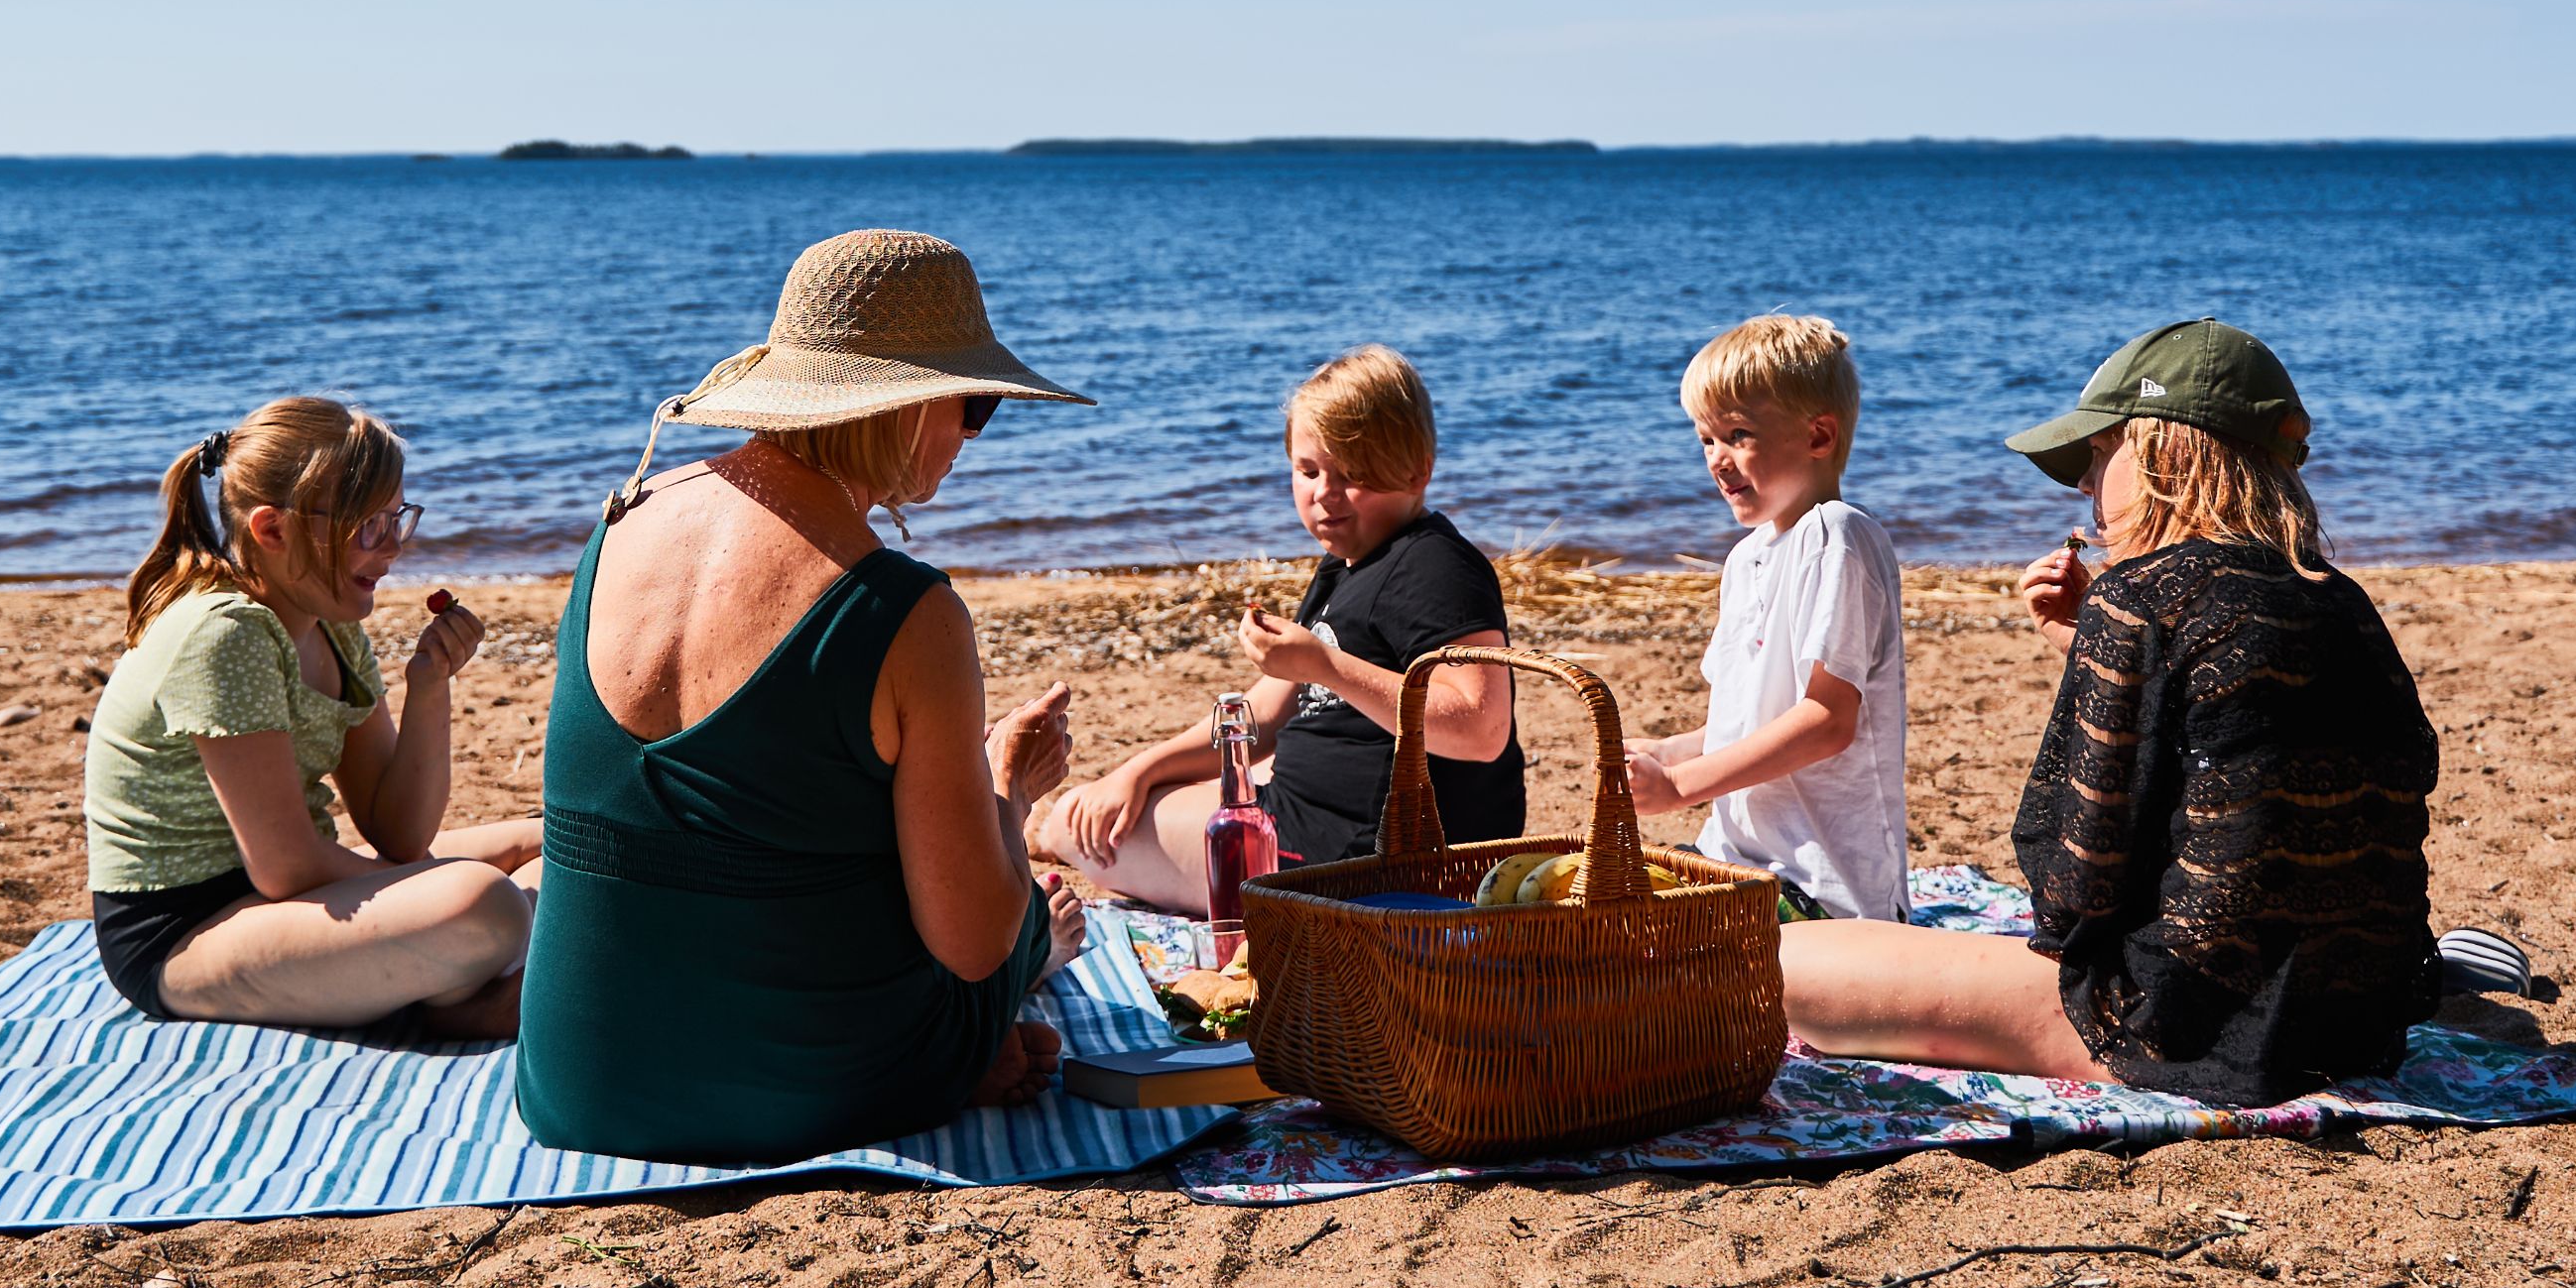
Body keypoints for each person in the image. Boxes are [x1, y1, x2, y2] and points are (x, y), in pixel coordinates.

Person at [512, 230, 1092, 1164]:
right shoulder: (904, 608)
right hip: (798, 1096)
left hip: (577, 1083)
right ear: (907, 405)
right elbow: (972, 943)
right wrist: (1008, 789)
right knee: (1023, 932)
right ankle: (971, 1039)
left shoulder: (623, 519)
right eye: (973, 405)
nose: (973, 436)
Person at [1779, 319, 2439, 1103]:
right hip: (2357, 1021)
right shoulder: (2341, 601)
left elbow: (2072, 889)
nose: (2089, 489)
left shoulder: (2141, 600)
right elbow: (2248, 736)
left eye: (2098, 455)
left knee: (1780, 961)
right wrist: (2084, 641)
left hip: (2192, 1030)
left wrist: (2108, 637)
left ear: (2163, 450)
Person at [84, 397, 543, 1035]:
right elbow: (286, 867)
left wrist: (430, 687)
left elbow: (398, 833)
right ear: (273, 530)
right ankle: (458, 1005)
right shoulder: (225, 634)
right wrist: (417, 882)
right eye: (369, 526)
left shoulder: (332, 625)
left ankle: (441, 977)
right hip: (185, 932)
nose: (392, 549)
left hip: (282, 889)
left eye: (397, 520)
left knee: (552, 849)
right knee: (484, 904)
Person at [1047, 346, 1521, 897]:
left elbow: (1481, 729)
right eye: (1308, 469)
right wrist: (1140, 769)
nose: (1323, 493)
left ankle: (1046, 833)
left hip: (1353, 858)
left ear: (1418, 471)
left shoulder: (1436, 566)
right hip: (1315, 815)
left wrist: (1328, 667)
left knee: (1071, 823)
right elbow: (1264, 714)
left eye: (1353, 473)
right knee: (1126, 794)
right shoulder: (1348, 563)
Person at [1621, 315, 1910, 920]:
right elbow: (1744, 725)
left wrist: (1678, 788)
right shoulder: (1746, 557)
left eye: (1738, 434)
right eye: (1705, 439)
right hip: (1735, 860)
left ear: (1819, 436)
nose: (1716, 460)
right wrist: (1668, 754)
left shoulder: (1837, 535)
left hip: (1821, 888)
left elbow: (1828, 720)